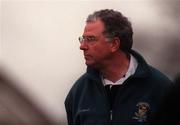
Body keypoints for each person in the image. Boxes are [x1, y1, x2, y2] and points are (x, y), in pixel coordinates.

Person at [64, 9, 172, 125]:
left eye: (90, 39)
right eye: (83, 39)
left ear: (114, 44)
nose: (82, 46)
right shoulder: (78, 93)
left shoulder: (161, 89)